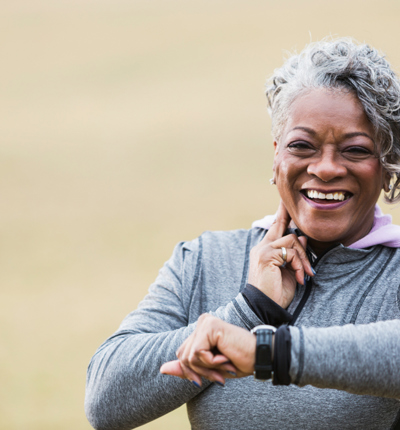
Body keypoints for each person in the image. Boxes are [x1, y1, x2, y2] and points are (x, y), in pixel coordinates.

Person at [85, 38, 400, 430]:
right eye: (302, 145)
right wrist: (248, 310)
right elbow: (104, 401)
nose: (325, 168)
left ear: (388, 164)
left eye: (355, 150)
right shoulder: (204, 260)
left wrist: (266, 351)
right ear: (276, 156)